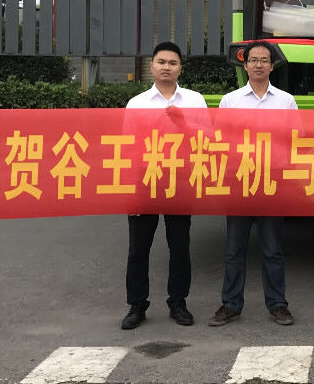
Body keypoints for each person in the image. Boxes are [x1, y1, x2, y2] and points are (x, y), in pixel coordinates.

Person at [209, 42, 299, 327]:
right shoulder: (231, 101)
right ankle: (230, 305)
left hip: (272, 182)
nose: (259, 65)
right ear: (245, 65)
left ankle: (278, 304)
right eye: (253, 60)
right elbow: (220, 140)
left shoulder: (285, 101)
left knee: (272, 249)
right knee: (234, 250)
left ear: (272, 66)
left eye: (264, 60)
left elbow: (296, 139)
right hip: (240, 181)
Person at [121, 42, 207, 330]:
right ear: (152, 66)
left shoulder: (194, 100)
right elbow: (127, 148)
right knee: (138, 248)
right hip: (145, 180)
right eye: (161, 62)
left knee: (180, 246)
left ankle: (178, 302)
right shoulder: (137, 103)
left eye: (172, 63)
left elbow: (207, 139)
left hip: (180, 180)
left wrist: (184, 123)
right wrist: (130, 191)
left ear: (180, 67)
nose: (166, 67)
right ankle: (137, 305)